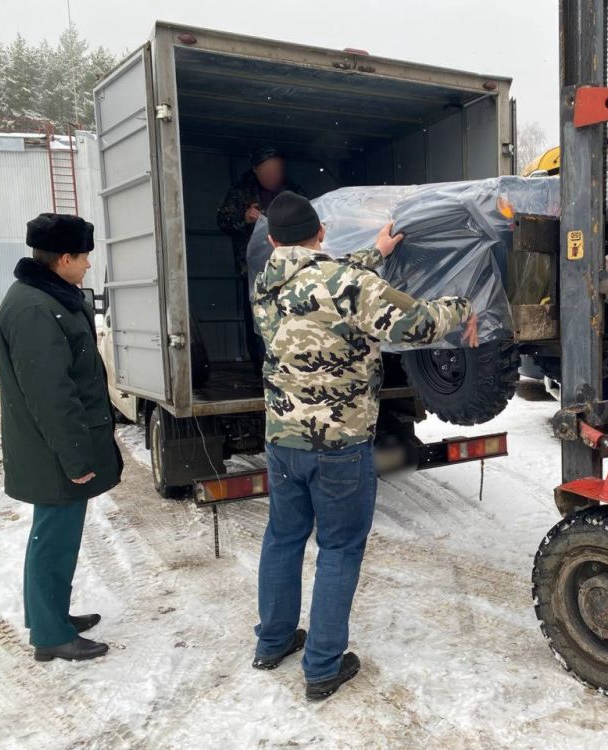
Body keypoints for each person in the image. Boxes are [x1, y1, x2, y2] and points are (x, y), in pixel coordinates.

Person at [250, 191, 478, 701]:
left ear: (272, 240)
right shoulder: (348, 285)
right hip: (340, 443)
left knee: (283, 539)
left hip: (283, 440)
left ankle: (273, 641)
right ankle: (323, 666)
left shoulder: (266, 283)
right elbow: (416, 323)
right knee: (339, 548)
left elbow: (324, 280)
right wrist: (464, 307)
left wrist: (375, 252)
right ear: (322, 232)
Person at [0, 214, 124, 661]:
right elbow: (52, 395)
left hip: (52, 449)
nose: (89, 265)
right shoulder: (35, 309)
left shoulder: (46, 298)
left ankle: (53, 616)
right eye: (85, 256)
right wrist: (75, 456)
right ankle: (51, 635)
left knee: (56, 538)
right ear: (64, 258)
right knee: (53, 539)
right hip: (53, 453)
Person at [217, 147, 304, 366]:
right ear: (256, 170)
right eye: (268, 171)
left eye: (277, 170)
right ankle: (262, 368)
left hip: (293, 269)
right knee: (259, 318)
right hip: (255, 270)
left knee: (294, 315)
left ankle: (295, 364)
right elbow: (223, 221)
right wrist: (244, 218)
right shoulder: (241, 192)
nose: (273, 176)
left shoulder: (293, 192)